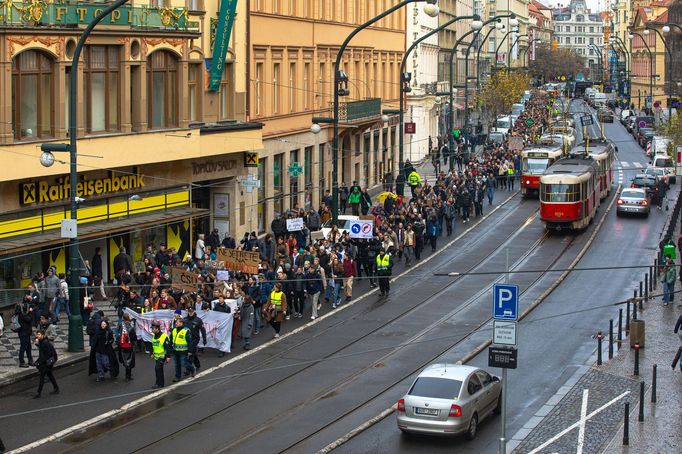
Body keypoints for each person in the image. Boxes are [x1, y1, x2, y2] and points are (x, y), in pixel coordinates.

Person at [33, 330, 59, 398]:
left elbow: (46, 354)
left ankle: (39, 393)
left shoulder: (45, 343)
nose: (37, 336)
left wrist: (40, 362)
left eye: (39, 334)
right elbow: (42, 354)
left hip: (47, 363)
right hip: (47, 363)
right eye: (37, 334)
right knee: (50, 375)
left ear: (43, 335)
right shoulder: (42, 342)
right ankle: (56, 388)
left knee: (42, 377)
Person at [170, 316, 195, 381]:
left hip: (183, 351)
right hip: (175, 350)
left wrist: (190, 351)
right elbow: (171, 339)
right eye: (176, 322)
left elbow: (190, 341)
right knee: (176, 364)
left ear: (181, 323)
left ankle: (192, 368)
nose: (176, 323)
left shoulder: (186, 331)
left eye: (177, 322)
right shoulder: (174, 330)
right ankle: (177, 377)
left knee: (183, 363)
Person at [150, 322, 171, 389]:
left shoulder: (164, 336)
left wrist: (168, 356)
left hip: (162, 356)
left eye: (153, 329)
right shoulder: (154, 336)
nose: (152, 330)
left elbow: (168, 347)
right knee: (160, 370)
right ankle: (161, 384)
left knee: (157, 369)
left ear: (157, 329)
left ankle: (157, 383)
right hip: (157, 356)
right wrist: (153, 353)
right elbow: (154, 346)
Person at [117, 313, 137, 381]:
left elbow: (118, 335)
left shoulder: (121, 325)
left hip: (122, 346)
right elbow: (134, 337)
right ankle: (128, 376)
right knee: (129, 360)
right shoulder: (130, 326)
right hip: (129, 346)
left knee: (125, 359)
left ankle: (127, 375)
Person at [15, 297, 34, 368]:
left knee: (28, 347)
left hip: (26, 332)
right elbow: (29, 319)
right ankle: (22, 362)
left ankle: (30, 360)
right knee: (23, 347)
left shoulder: (21, 314)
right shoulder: (22, 315)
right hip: (24, 333)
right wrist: (31, 312)